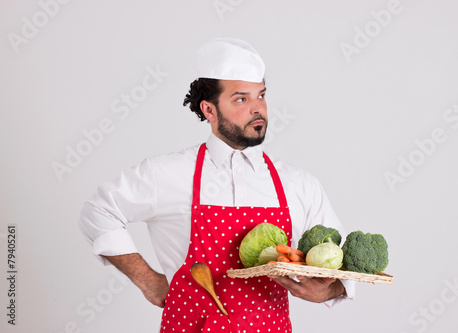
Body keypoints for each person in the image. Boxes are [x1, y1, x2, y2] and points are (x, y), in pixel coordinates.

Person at [78, 37, 355, 332]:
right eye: (241, 99)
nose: (257, 108)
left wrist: (331, 289)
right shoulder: (167, 174)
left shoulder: (298, 184)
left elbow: (341, 260)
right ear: (209, 110)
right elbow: (97, 212)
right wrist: (146, 279)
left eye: (261, 95)